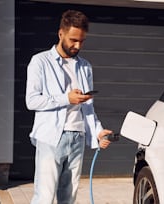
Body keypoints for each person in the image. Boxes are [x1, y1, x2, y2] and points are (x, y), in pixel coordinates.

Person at [25, 10, 112, 204]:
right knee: (44, 196)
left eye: (82, 41)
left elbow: (88, 106)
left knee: (69, 197)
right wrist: (66, 98)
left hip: (77, 136)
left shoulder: (85, 66)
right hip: (51, 137)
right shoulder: (40, 62)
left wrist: (97, 132)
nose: (77, 45)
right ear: (60, 34)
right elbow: (31, 101)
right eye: (73, 40)